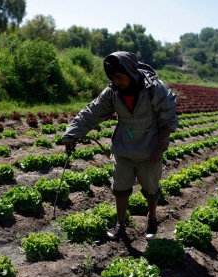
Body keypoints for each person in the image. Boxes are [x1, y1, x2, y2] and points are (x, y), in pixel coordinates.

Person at [62, 51, 178, 240]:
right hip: (123, 147)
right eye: (112, 78)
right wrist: (72, 133)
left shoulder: (155, 90)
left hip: (150, 150)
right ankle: (120, 224)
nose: (116, 81)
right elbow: (92, 112)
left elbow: (168, 120)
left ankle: (152, 218)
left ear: (131, 72)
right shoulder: (112, 93)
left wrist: (159, 148)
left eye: (119, 76)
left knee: (151, 189)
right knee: (120, 188)